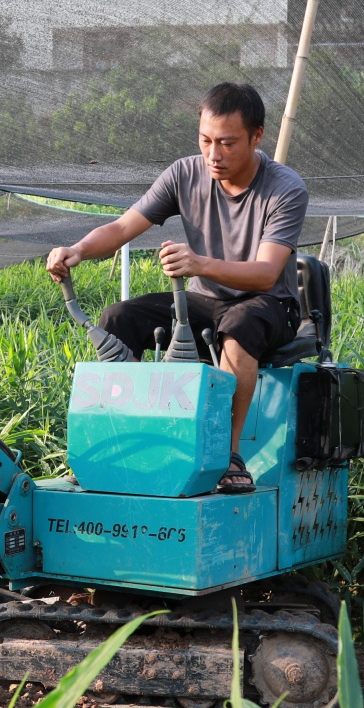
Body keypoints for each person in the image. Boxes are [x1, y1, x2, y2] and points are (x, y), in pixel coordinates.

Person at [46, 81, 308, 495]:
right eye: (205, 140)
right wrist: (77, 249)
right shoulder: (184, 174)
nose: (213, 155)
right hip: (204, 300)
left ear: (258, 137)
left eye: (227, 143)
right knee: (118, 319)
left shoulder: (285, 187)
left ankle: (227, 453)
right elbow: (120, 228)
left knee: (237, 328)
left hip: (269, 304)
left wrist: (200, 263)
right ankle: (132, 442)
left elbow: (265, 273)